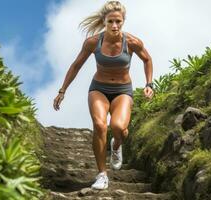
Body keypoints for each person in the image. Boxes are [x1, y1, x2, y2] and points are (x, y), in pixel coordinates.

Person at [53, 0, 154, 190]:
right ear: (104, 21)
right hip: (98, 88)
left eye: (118, 21)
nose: (114, 26)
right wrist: (62, 90)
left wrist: (149, 83)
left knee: (118, 127)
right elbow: (76, 65)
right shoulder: (93, 42)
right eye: (110, 22)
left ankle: (116, 146)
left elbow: (147, 60)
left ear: (123, 21)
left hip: (123, 90)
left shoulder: (132, 42)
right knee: (100, 126)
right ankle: (102, 175)